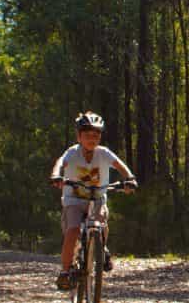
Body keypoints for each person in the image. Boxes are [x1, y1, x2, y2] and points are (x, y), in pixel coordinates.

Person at [50, 112, 136, 289]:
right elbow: (60, 163)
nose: (92, 139)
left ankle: (101, 247)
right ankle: (65, 272)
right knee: (72, 231)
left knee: (101, 224)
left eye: (96, 135)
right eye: (87, 135)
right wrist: (56, 176)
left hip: (97, 197)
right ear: (79, 137)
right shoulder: (72, 153)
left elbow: (120, 165)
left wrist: (130, 178)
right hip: (73, 199)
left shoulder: (103, 153)